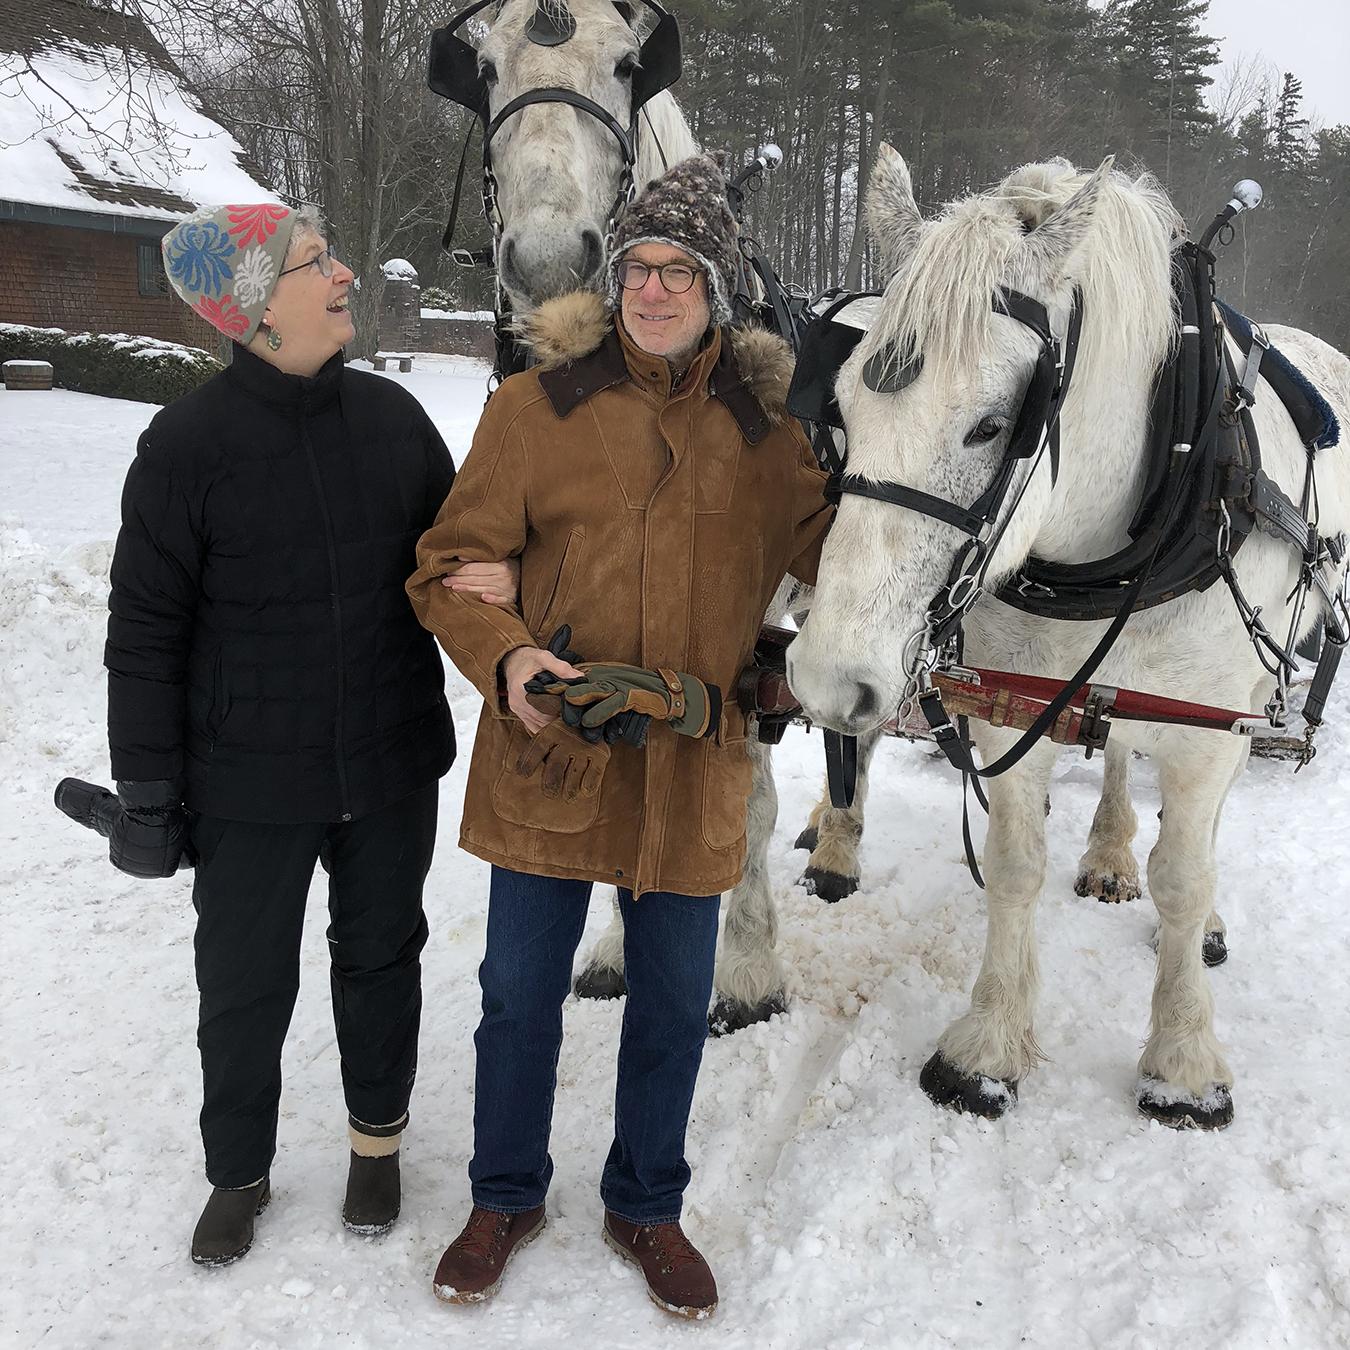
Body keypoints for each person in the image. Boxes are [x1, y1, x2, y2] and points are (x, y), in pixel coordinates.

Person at [406, 154, 832, 1320]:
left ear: (716, 288)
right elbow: (447, 567)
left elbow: (845, 565)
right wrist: (506, 656)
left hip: (693, 762)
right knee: (517, 998)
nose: (652, 289)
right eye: (637, 267)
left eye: (677, 271)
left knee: (673, 1007)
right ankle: (505, 1195)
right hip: (553, 751)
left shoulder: (769, 435)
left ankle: (645, 1203)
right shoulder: (532, 411)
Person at [104, 202, 517, 1266]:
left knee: (381, 958)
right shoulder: (185, 448)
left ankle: (376, 1146)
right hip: (244, 781)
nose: (343, 275)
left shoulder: (393, 420)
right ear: (255, 307)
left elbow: (454, 554)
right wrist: (147, 792)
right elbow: (144, 634)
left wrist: (499, 579)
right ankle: (238, 1172)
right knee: (243, 984)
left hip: (387, 760)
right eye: (316, 261)